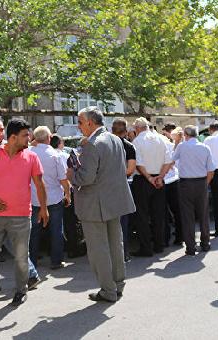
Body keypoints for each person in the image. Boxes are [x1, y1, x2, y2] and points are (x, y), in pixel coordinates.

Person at [0, 118, 49, 306]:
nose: (29, 139)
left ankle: (21, 290)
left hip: (21, 217)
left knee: (21, 257)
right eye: (25, 135)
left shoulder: (31, 156)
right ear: (13, 137)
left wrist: (43, 208)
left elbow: (40, 184)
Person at [68, 106, 136, 303]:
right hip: (113, 201)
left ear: (90, 122)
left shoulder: (93, 143)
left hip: (95, 204)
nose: (79, 126)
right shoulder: (115, 139)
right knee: (116, 245)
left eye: (80, 122)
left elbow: (86, 177)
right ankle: (117, 285)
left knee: (99, 249)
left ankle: (108, 290)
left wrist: (72, 174)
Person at [29, 126, 71, 270]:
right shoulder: (55, 155)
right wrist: (68, 194)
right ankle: (56, 261)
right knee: (56, 230)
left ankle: (32, 262)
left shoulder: (28, 153)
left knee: (33, 232)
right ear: (49, 138)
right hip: (54, 198)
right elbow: (63, 179)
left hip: (34, 198)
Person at [131, 117, 173, 257]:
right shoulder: (161, 139)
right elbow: (168, 161)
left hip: (143, 180)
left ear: (137, 128)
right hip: (158, 180)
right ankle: (159, 245)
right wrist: (160, 177)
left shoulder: (137, 141)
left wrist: (149, 178)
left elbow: (138, 163)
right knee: (158, 214)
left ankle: (146, 247)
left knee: (142, 215)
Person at [172, 126, 215, 255]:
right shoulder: (205, 147)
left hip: (186, 183)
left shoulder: (181, 146)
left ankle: (190, 247)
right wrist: (205, 183)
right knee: (203, 214)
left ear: (185, 134)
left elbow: (172, 159)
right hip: (201, 182)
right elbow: (211, 170)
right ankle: (205, 243)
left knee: (187, 216)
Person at [111, 118, 137, 261]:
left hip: (106, 187)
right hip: (122, 186)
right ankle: (123, 253)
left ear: (112, 130)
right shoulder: (129, 146)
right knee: (123, 223)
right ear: (126, 131)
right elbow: (131, 169)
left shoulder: (104, 145)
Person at [161, 124, 183, 247]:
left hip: (168, 179)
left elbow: (171, 163)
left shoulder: (170, 146)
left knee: (166, 211)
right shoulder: (171, 146)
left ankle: (167, 238)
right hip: (174, 179)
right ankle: (179, 236)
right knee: (176, 210)